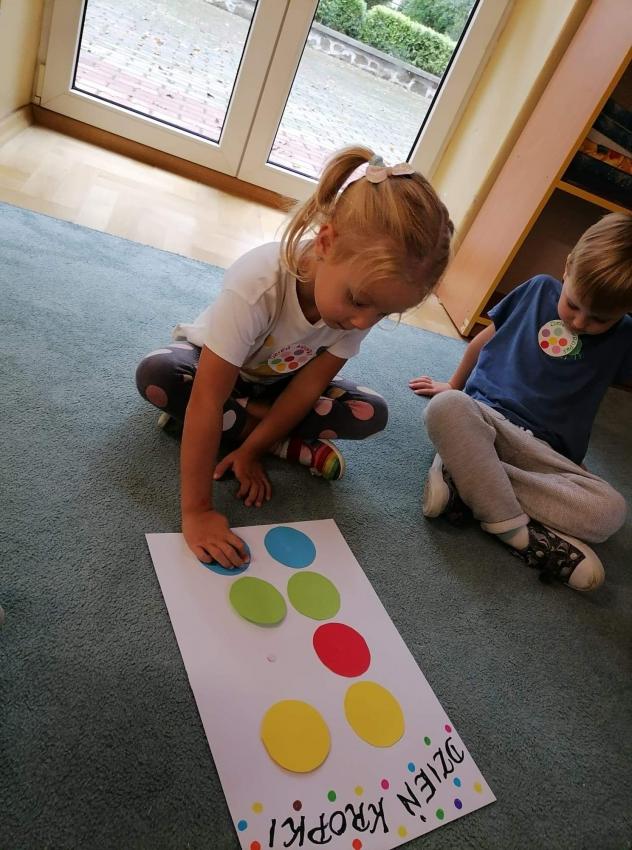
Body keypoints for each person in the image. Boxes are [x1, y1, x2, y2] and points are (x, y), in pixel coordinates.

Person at [137, 146, 453, 567]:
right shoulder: (259, 282)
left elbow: (307, 389)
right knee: (159, 374)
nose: (363, 322)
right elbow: (209, 397)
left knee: (370, 413)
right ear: (326, 243)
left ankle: (245, 430)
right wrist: (197, 512)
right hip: (213, 370)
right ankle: (279, 441)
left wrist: (252, 450)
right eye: (359, 302)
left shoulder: (358, 307)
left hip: (280, 384)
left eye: (383, 313)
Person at [410, 212, 632, 591]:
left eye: (599, 319)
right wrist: (453, 384)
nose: (579, 323)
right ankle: (515, 532)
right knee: (447, 407)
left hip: (547, 455)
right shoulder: (537, 290)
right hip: (488, 419)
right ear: (567, 268)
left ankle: (466, 476)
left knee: (611, 512)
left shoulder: (625, 337)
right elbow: (483, 341)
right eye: (573, 305)